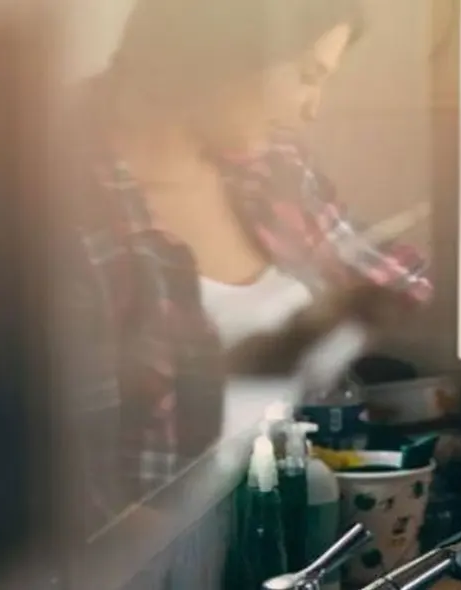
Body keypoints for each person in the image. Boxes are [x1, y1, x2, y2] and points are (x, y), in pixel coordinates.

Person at [56, 0, 430, 542]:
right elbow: (74, 501)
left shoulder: (267, 165)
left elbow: (394, 283)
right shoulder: (53, 199)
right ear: (231, 51)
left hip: (271, 532)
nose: (311, 109)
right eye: (306, 76)